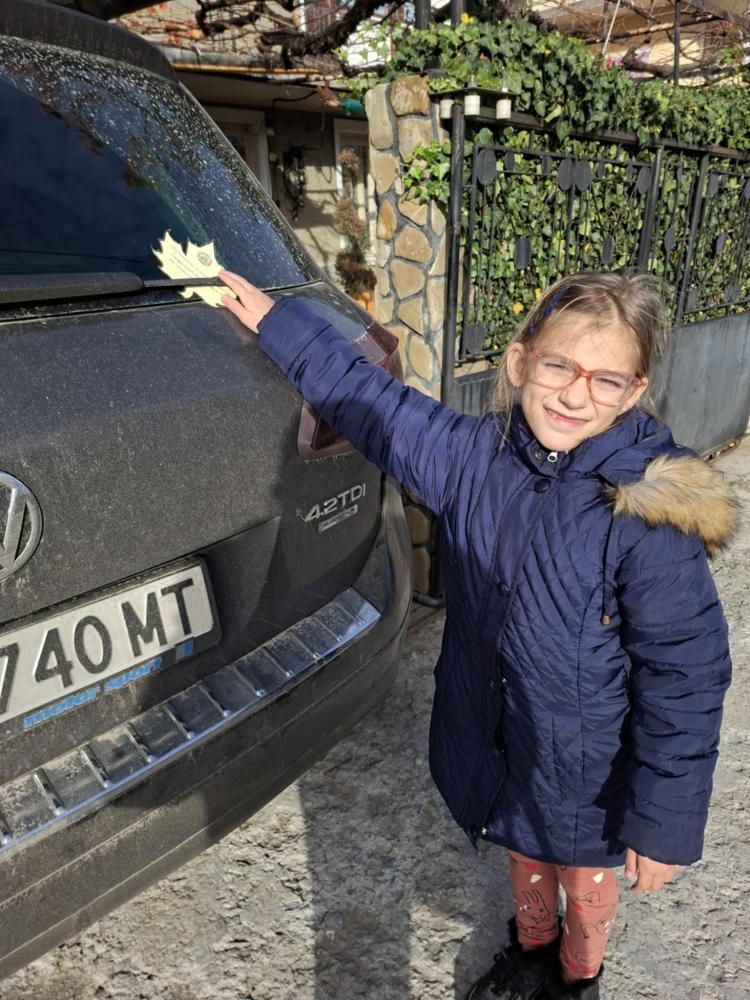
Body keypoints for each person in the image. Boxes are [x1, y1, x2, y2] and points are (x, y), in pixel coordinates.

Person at [218, 268, 735, 1000]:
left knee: (584, 887)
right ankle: (530, 952)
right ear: (520, 362)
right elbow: (378, 406)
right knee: (523, 858)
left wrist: (664, 820)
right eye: (559, 366)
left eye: (606, 380)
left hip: (591, 772)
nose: (576, 394)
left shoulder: (644, 513)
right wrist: (284, 327)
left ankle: (576, 978)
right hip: (503, 741)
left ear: (634, 392)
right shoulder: (471, 457)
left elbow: (686, 673)